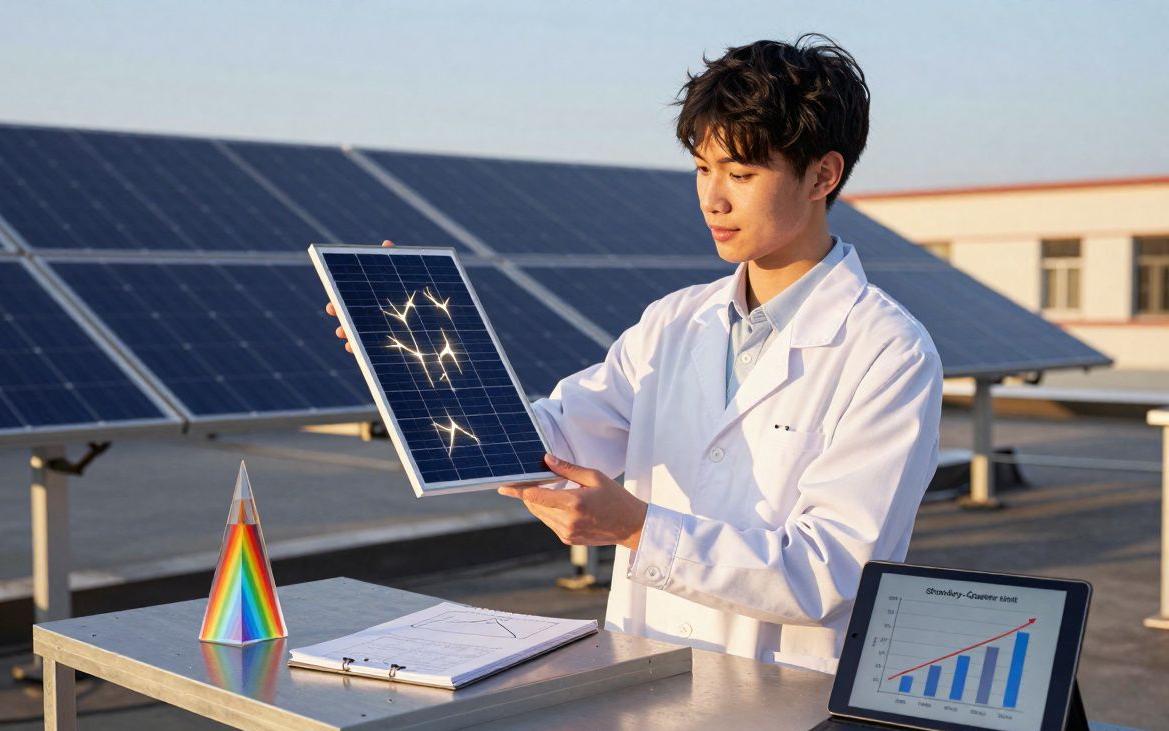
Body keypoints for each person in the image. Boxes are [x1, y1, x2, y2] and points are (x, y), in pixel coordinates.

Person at [327, 35, 941, 674]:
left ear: (823, 174)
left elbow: (830, 570)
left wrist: (637, 528)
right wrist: (414, 362)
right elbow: (552, 441)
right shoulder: (675, 322)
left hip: (788, 696)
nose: (713, 199)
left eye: (742, 173)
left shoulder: (888, 352)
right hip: (645, 680)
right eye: (703, 169)